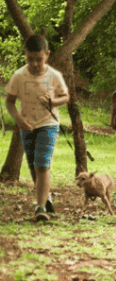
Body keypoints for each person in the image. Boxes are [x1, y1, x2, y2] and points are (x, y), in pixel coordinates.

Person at [5, 35, 69, 221]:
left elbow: (65, 97)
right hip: (27, 126)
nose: (34, 63)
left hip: (48, 124)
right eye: (30, 59)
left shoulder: (54, 76)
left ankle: (40, 208)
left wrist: (52, 101)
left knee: (42, 164)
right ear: (25, 54)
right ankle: (45, 197)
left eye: (39, 60)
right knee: (34, 165)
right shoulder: (19, 76)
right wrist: (17, 119)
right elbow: (9, 102)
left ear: (47, 55)